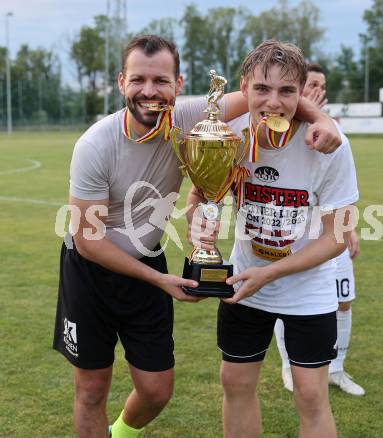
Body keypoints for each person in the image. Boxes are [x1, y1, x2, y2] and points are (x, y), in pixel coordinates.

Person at [52, 34, 343, 438]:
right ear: (121, 82)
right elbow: (88, 240)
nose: (149, 91)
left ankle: (121, 431)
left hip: (148, 258)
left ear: (179, 84)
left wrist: (324, 120)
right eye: (138, 80)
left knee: (156, 390)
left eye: (161, 81)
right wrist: (160, 280)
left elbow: (273, 96)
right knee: (92, 388)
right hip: (90, 271)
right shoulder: (95, 145)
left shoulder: (194, 117)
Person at [187, 40, 358, 438]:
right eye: (262, 88)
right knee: (235, 382)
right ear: (244, 88)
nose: (273, 102)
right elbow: (198, 196)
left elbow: (336, 238)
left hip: (308, 291)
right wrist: (197, 225)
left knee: (311, 396)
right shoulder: (227, 134)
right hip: (246, 284)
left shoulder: (331, 145)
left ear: (302, 94)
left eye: (286, 91)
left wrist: (273, 272)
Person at [274, 63, 365, 396]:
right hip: (294, 238)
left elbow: (343, 188)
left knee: (343, 298)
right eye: (311, 84)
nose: (317, 91)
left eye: (321, 85)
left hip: (330, 235)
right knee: (286, 302)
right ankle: (288, 366)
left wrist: (349, 229)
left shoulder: (334, 132)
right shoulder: (281, 129)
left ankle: (337, 369)